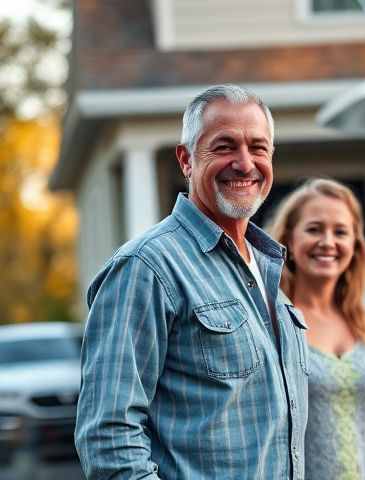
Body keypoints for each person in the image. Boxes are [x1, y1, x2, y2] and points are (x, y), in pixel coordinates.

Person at [75, 84, 308, 480]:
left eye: (258, 147)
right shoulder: (146, 267)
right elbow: (108, 435)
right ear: (186, 159)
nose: (244, 163)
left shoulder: (266, 267)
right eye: (224, 147)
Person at [270, 178, 365, 480]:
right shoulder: (274, 318)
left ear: (355, 244)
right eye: (314, 229)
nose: (328, 242)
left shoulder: (364, 321)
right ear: (289, 239)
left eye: (340, 232)